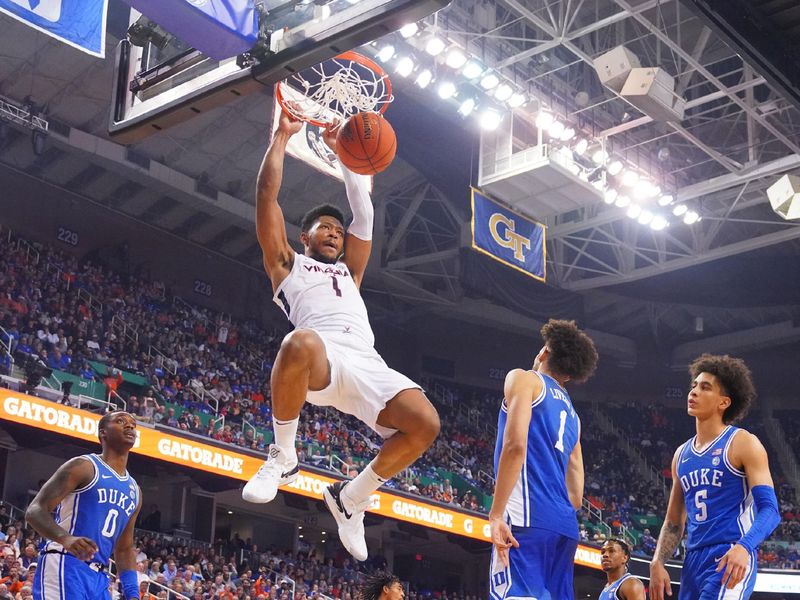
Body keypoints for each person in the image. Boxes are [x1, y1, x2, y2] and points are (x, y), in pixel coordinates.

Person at [241, 110, 440, 562]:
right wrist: (281, 137)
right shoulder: (286, 263)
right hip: (321, 357)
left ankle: (351, 497)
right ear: (303, 236)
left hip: (367, 361)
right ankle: (283, 455)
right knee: (299, 341)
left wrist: (344, 155)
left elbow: (364, 213)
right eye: (323, 227)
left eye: (336, 228)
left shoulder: (351, 271)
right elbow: (266, 198)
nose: (333, 231)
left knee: (425, 423)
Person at [649, 354, 780, 600]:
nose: (694, 391)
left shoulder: (742, 443)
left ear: (723, 402)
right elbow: (674, 522)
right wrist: (657, 561)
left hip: (730, 552)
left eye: (705, 387)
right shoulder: (681, 454)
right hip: (693, 560)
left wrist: (745, 546)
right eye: (694, 385)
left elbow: (770, 510)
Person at [488, 319, 598, 600]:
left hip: (526, 516)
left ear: (544, 353)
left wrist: (496, 513)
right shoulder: (574, 416)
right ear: (570, 375)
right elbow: (576, 496)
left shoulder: (524, 378)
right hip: (565, 527)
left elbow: (515, 446)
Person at [25, 411, 142, 600]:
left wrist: (133, 594)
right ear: (103, 432)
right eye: (120, 421)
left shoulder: (135, 490)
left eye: (133, 424)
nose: (129, 426)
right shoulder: (84, 466)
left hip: (99, 578)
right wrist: (67, 539)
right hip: (66, 562)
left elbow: (124, 548)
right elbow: (35, 511)